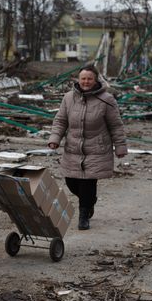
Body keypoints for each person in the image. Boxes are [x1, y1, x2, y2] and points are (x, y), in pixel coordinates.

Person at [47, 65, 127, 230]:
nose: (86, 81)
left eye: (89, 78)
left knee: (87, 183)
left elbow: (116, 126)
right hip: (73, 149)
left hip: (97, 149)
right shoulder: (69, 98)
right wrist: (55, 139)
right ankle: (90, 201)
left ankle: (84, 216)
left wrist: (120, 146)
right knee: (71, 182)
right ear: (78, 79)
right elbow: (61, 120)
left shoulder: (107, 99)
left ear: (96, 80)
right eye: (83, 78)